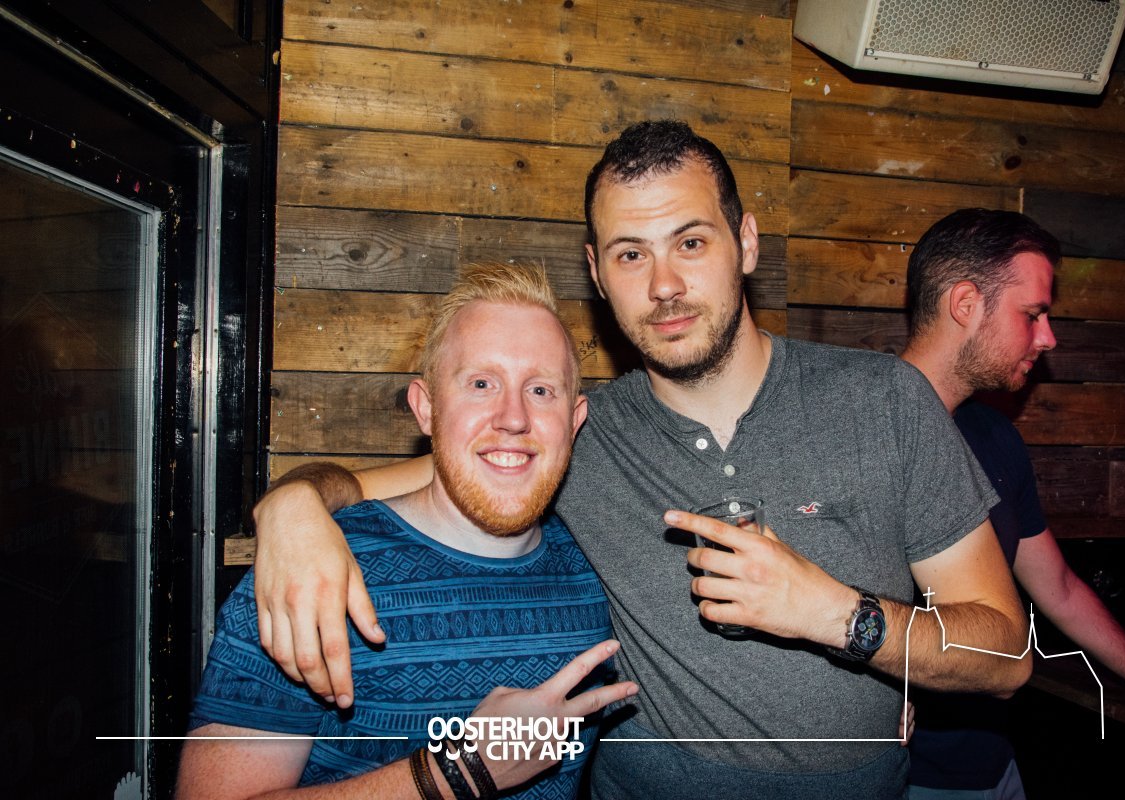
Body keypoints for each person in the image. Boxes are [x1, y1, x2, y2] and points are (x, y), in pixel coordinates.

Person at [250, 120, 1031, 799]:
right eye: (631, 254)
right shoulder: (572, 434)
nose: (664, 285)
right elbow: (362, 485)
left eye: (690, 242)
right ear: (597, 274)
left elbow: (1005, 654)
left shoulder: (885, 401)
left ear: (745, 243)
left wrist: (837, 615)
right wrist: (291, 506)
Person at [176, 263, 638, 799]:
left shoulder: (592, 569)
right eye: (481, 384)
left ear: (575, 421)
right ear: (426, 408)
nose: (513, 417)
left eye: (540, 390)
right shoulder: (314, 573)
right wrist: (459, 772)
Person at [900, 208, 1125, 799]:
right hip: (905, 779)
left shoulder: (995, 437)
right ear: (966, 304)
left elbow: (1058, 588)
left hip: (996, 767)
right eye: (1032, 314)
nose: (1048, 337)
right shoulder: (860, 431)